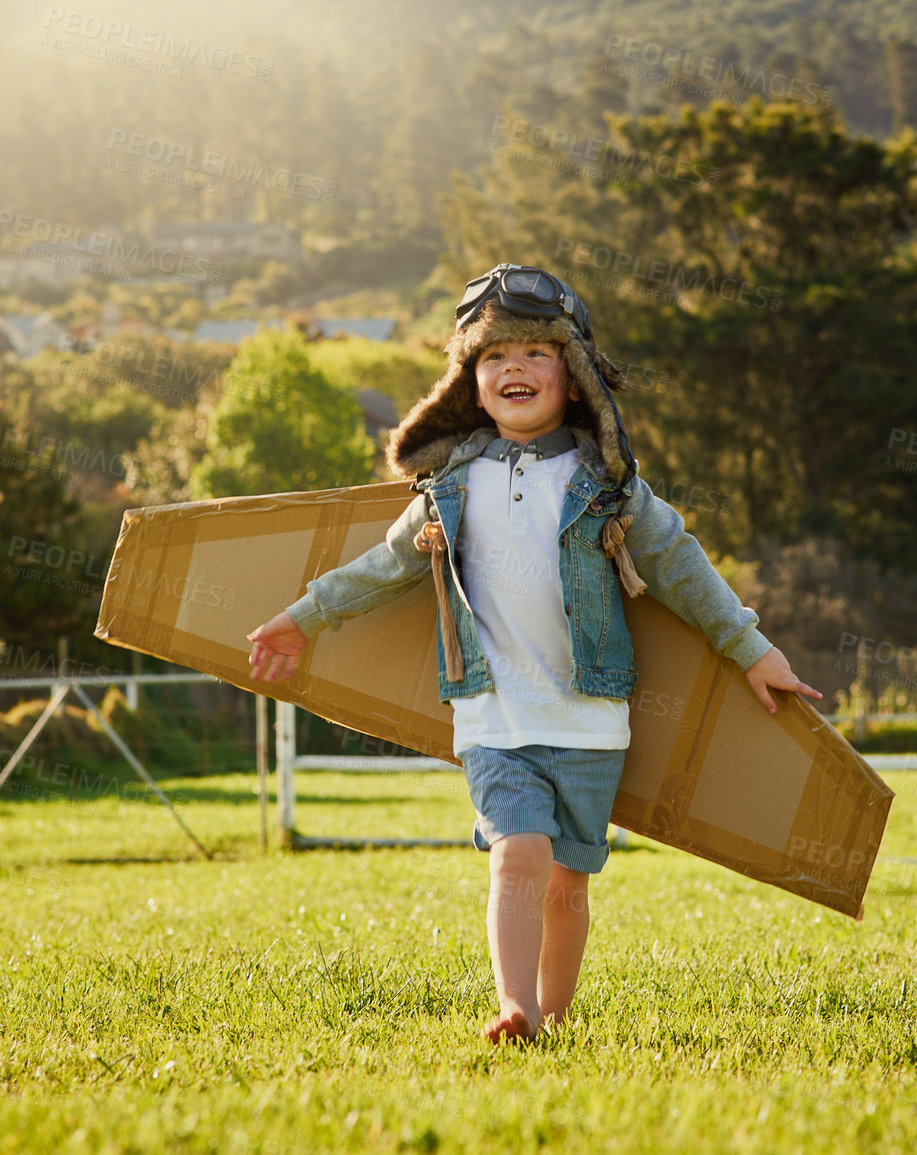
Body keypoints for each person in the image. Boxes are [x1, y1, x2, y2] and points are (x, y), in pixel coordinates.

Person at [246, 264, 823, 1043]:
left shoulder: (609, 486)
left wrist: (751, 650)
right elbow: (384, 567)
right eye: (492, 357)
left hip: (589, 718)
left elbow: (684, 570)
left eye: (534, 353)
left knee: (565, 886)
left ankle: (553, 1016)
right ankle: (513, 1005)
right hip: (492, 713)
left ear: (576, 378)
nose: (512, 368)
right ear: (470, 384)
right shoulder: (449, 485)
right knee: (517, 852)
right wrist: (301, 615)